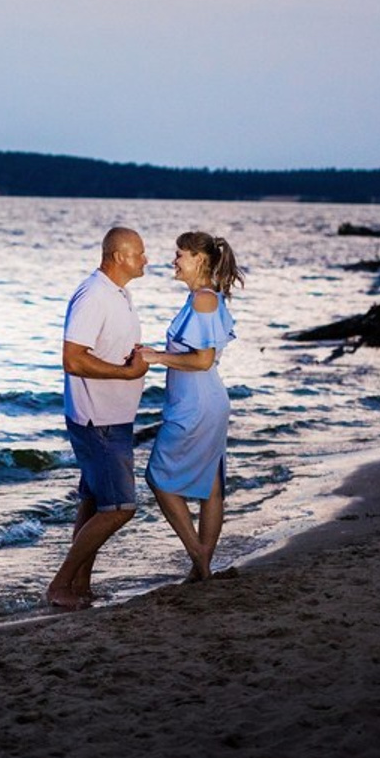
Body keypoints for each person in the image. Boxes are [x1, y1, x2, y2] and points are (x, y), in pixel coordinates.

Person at [46, 226, 150, 609]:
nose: (145, 260)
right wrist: (126, 373)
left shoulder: (119, 293)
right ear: (119, 256)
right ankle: (59, 585)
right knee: (121, 508)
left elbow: (108, 348)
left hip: (114, 415)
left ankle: (80, 586)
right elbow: (73, 359)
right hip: (98, 419)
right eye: (139, 253)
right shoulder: (93, 295)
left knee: (92, 503)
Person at [139, 230, 244, 582]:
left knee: (158, 477)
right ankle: (201, 569)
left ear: (199, 259)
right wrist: (157, 354)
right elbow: (196, 357)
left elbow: (201, 360)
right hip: (206, 399)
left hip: (196, 404)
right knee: (211, 486)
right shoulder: (204, 297)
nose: (174, 261)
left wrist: (156, 357)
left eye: (180, 254)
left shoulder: (203, 300)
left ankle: (199, 558)